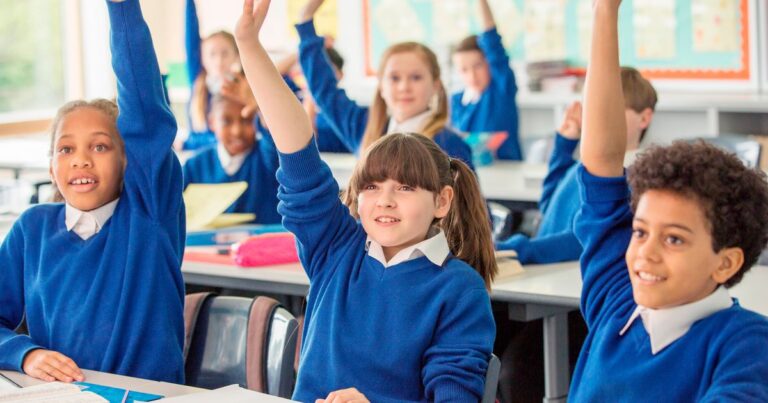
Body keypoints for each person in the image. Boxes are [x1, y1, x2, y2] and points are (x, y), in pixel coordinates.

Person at [235, 1, 497, 400]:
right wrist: (249, 46)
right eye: (372, 187)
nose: (385, 201)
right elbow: (297, 150)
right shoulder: (336, 249)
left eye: (406, 187)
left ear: (442, 201)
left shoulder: (460, 289)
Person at [571, 0, 768, 400]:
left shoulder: (746, 345)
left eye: (674, 239)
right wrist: (605, 12)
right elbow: (601, 159)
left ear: (726, 261)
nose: (647, 253)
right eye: (640, 232)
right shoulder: (617, 298)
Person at [0, 0, 185, 383]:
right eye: (66, 149)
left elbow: (145, 107)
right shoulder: (32, 229)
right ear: (52, 165)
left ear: (129, 160)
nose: (81, 160)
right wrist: (25, 354)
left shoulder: (149, 216)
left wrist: (121, 9)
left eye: (99, 147)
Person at [295, 0, 474, 169]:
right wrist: (305, 20)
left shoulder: (449, 145)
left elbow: (470, 201)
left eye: (416, 77)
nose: (404, 87)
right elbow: (325, 91)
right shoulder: (366, 128)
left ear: (435, 85)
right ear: (381, 86)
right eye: (394, 78)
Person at [450, 0, 522, 160]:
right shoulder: (456, 101)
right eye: (464, 70)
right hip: (469, 178)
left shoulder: (501, 91)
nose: (472, 76)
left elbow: (492, 41)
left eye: (478, 66)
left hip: (507, 174)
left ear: (489, 63)